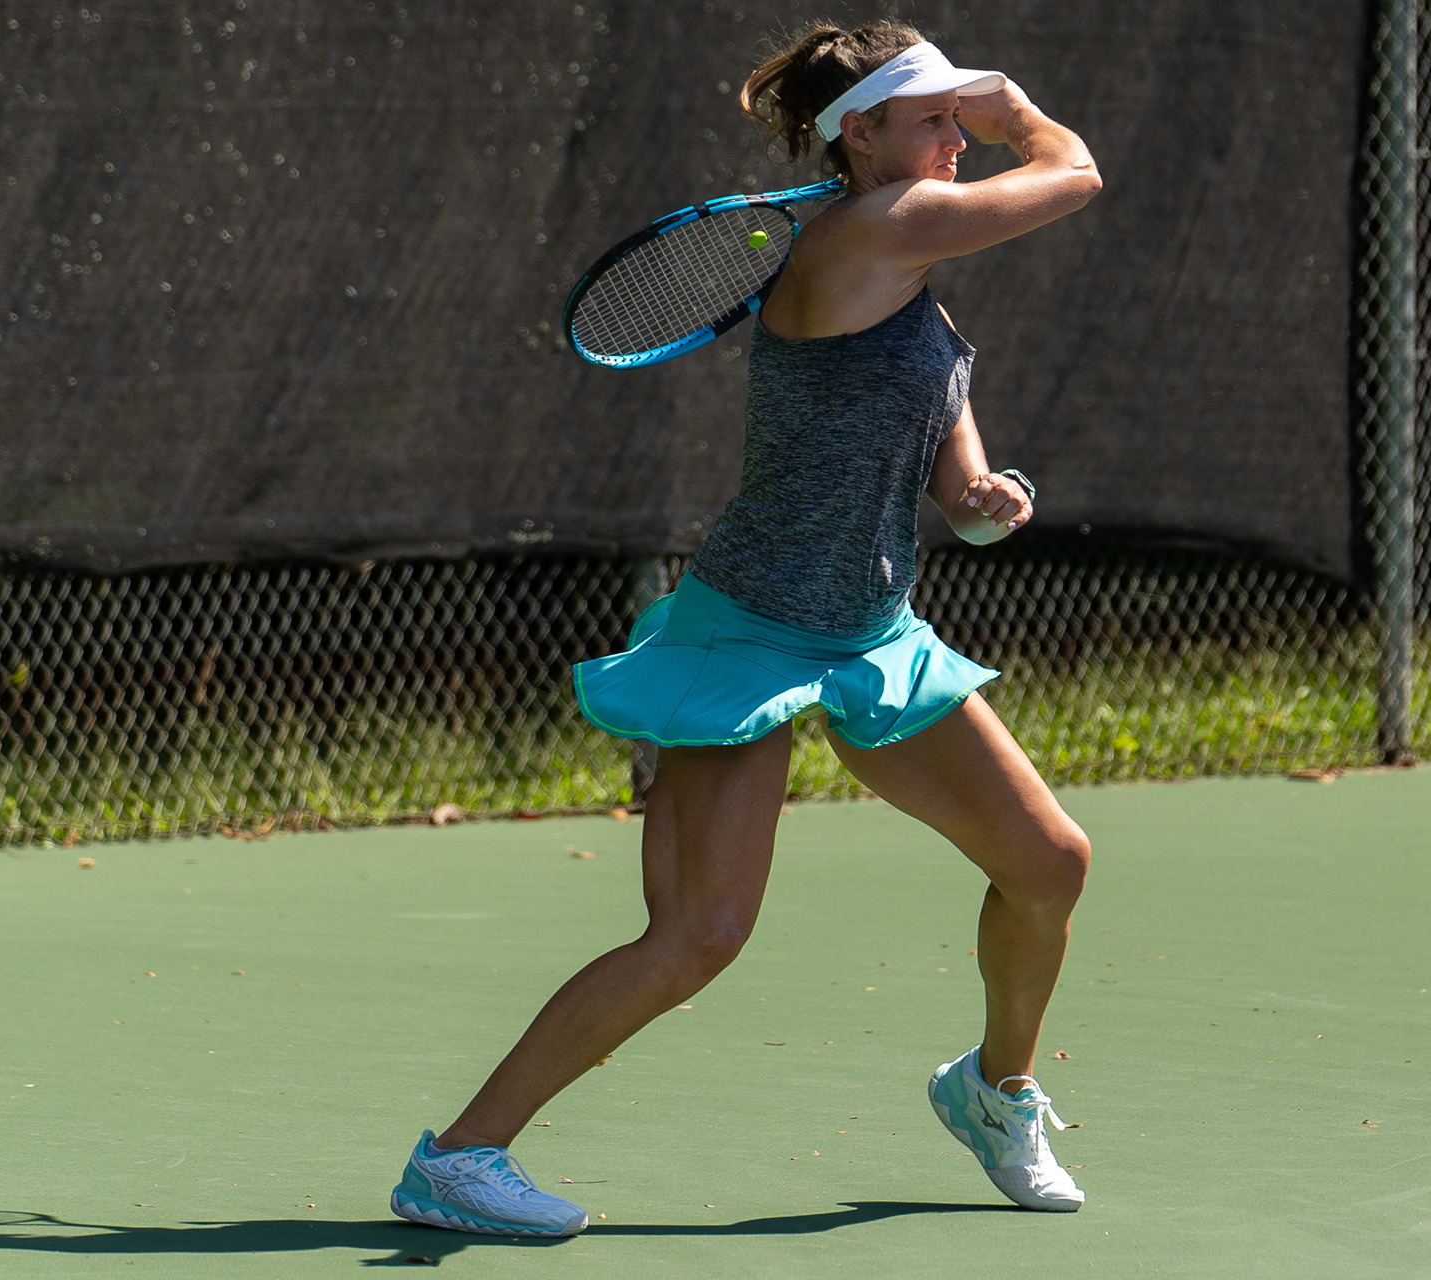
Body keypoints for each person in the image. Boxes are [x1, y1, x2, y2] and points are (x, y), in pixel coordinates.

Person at [390, 20, 1102, 1237]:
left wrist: (974, 491)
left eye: (959, 114)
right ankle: (457, 1159)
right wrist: (1016, 107)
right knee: (698, 935)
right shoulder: (882, 227)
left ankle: (996, 1088)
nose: (958, 133)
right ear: (858, 134)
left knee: (1050, 863)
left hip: (872, 631)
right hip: (753, 632)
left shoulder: (898, 254)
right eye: (932, 116)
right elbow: (1074, 174)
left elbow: (937, 430)